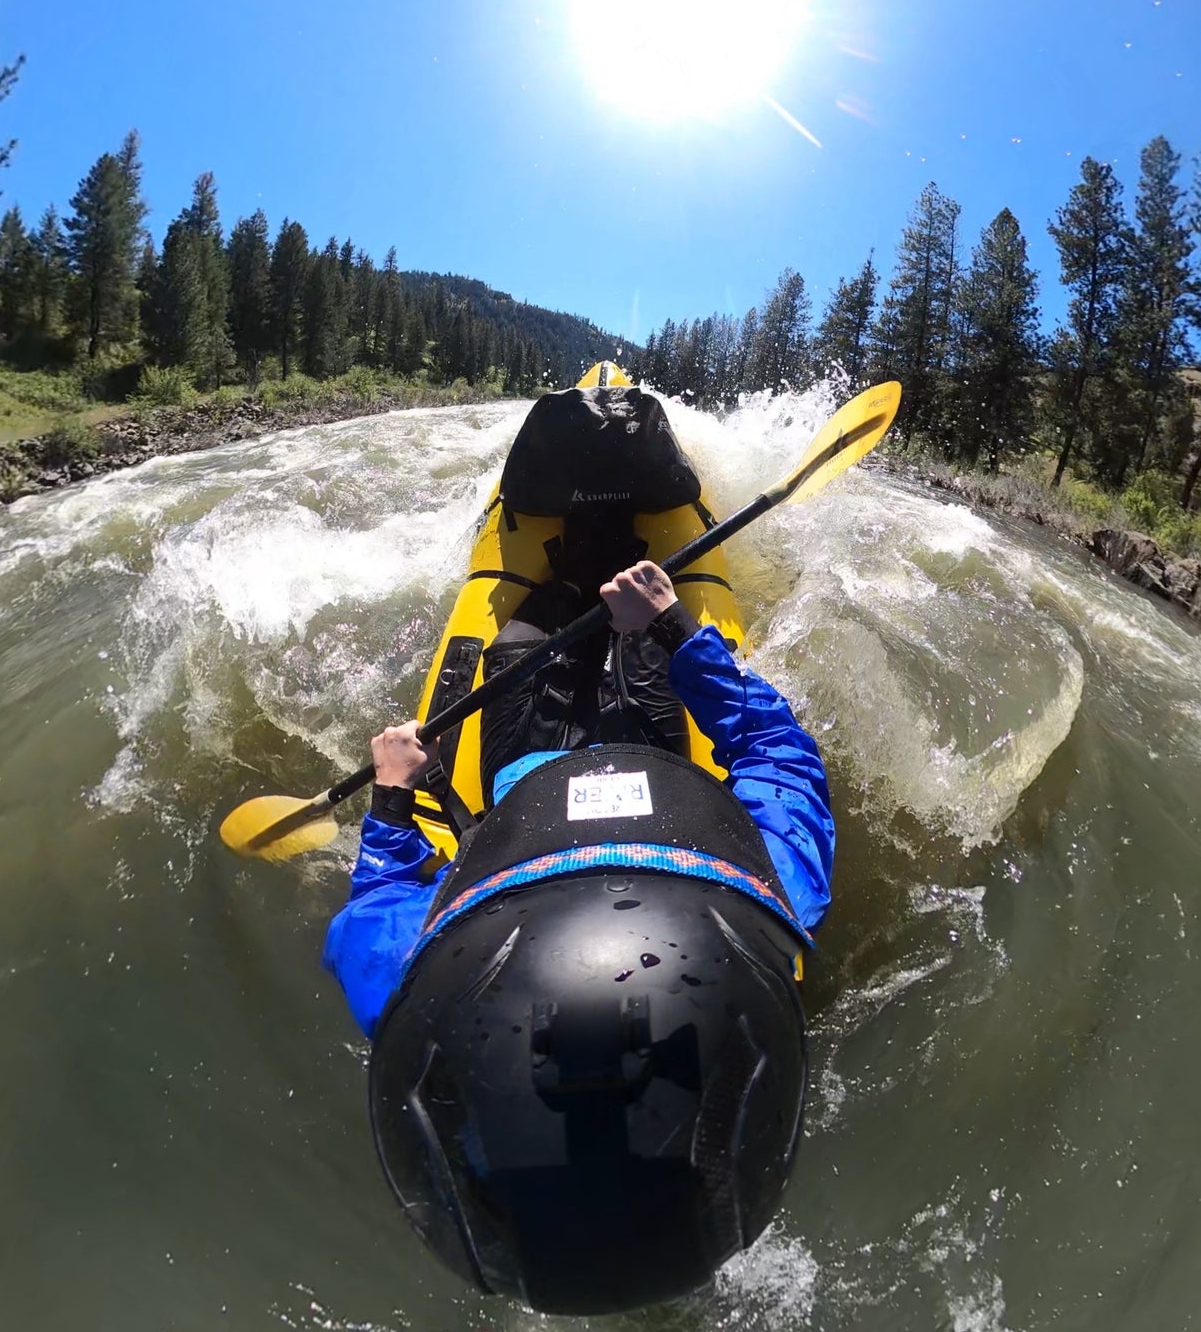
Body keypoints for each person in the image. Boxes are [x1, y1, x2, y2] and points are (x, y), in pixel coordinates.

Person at [323, 558, 835, 1315]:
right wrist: (671, 632)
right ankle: (615, 612)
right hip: (652, 752)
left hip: (520, 776)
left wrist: (396, 798)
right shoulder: (768, 892)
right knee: (585, 646)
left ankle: (572, 588)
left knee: (529, 631)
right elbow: (779, 756)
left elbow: (378, 900)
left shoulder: (408, 984)